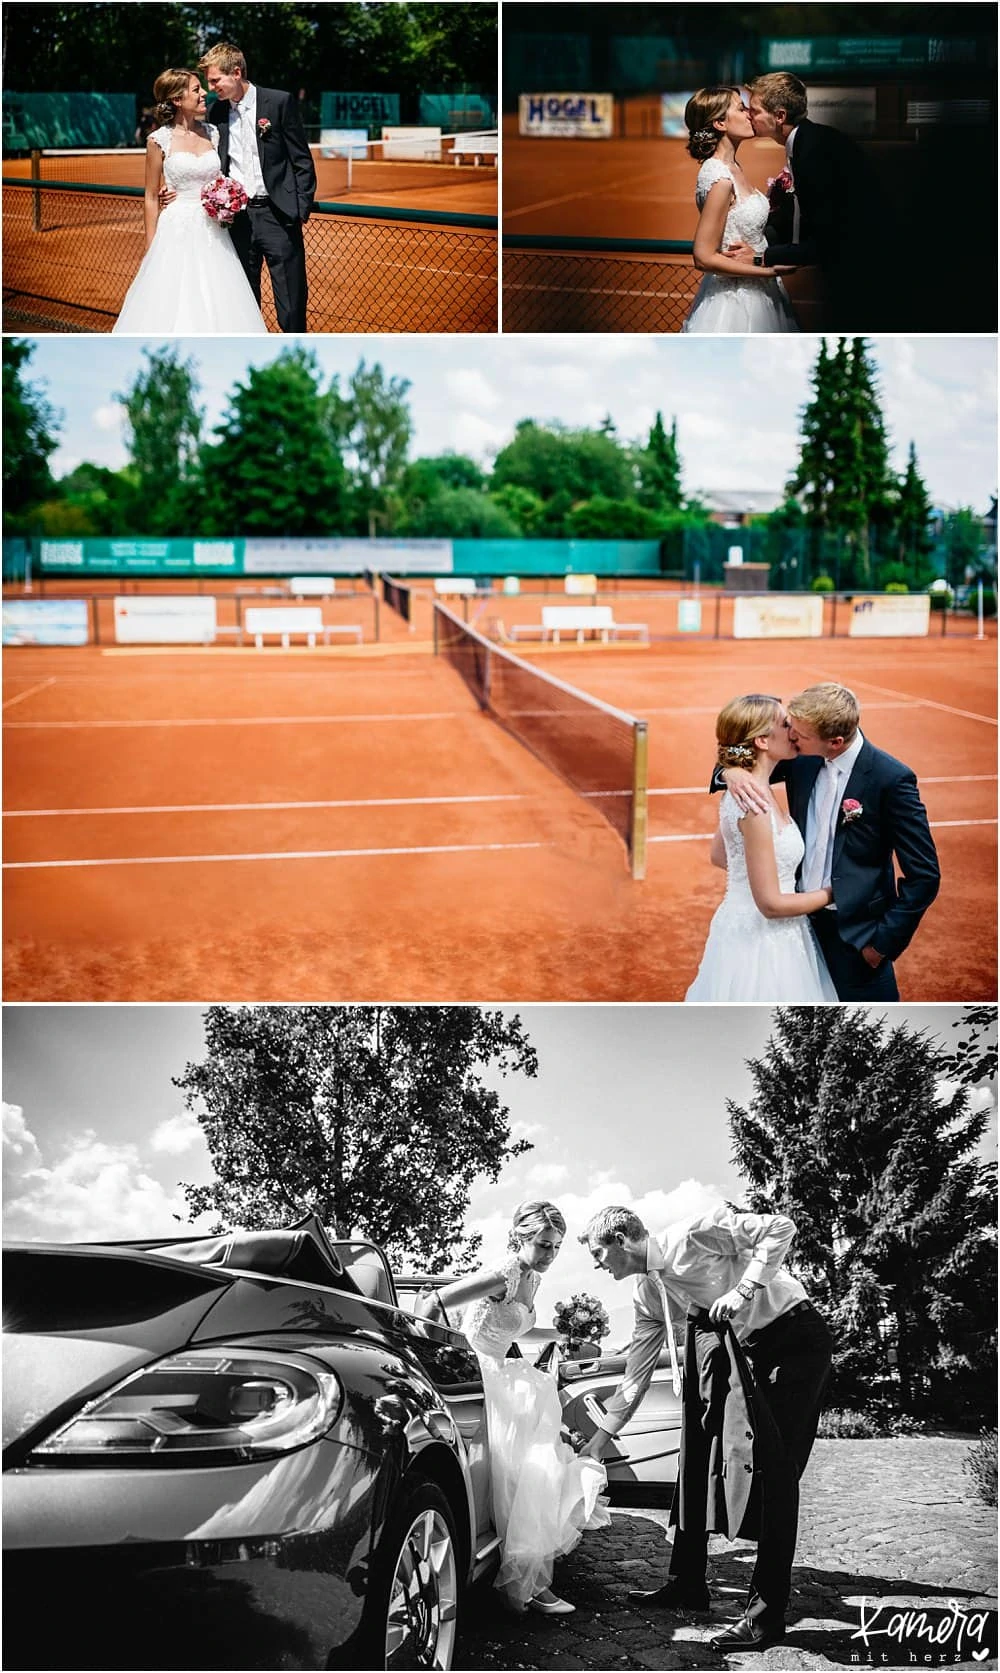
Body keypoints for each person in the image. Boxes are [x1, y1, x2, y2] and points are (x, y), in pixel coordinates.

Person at [579, 1204, 833, 1653]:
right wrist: (599, 1442)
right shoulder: (646, 1294)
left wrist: (745, 1289)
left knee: (774, 1472)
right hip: (745, 1350)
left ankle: (765, 1618)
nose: (598, 1264)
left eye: (599, 1252)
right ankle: (687, 1584)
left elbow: (780, 1226)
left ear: (621, 1240)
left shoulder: (692, 1235)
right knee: (695, 1459)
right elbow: (635, 1376)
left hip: (794, 1341)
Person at [416, 1200, 610, 1614]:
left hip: (507, 1373)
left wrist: (565, 1331)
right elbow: (433, 1302)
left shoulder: (533, 1280)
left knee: (530, 1475)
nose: (549, 1255)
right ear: (521, 1237)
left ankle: (528, 1581)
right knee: (527, 1473)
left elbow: (524, 1327)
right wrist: (438, 1357)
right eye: (542, 1245)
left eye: (556, 1247)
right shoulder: (504, 1271)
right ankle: (527, 1584)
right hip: (481, 1375)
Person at [715, 682, 940, 1001]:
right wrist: (730, 773)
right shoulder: (800, 757)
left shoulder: (891, 780)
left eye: (799, 734)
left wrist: (881, 945)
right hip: (797, 928)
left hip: (856, 938)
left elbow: (925, 876)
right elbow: (745, 749)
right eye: (789, 727)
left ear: (834, 742)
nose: (791, 736)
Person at [687, 694, 838, 1001]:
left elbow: (720, 854)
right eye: (785, 724)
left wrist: (759, 872)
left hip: (741, 927)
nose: (793, 730)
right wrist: (834, 892)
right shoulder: (754, 803)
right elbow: (770, 905)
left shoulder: (747, 790)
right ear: (762, 742)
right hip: (764, 941)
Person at [726, 72, 894, 332]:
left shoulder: (813, 152)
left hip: (867, 278)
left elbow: (827, 243)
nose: (748, 114)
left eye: (755, 110)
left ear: (779, 116)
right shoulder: (809, 141)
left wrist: (760, 257)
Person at [113, 69, 268, 335]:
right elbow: (151, 195)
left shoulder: (213, 133)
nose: (204, 93)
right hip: (175, 230)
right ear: (176, 99)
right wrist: (151, 246)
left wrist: (227, 196)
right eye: (196, 89)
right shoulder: (158, 140)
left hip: (215, 233)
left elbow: (223, 176)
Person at [199, 41, 316, 332]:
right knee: (243, 303)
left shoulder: (278, 102)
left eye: (215, 80)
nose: (212, 87)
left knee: (291, 305)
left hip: (278, 216)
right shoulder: (216, 112)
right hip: (238, 220)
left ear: (236, 73)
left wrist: (298, 208)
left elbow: (302, 159)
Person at [681, 87, 798, 335]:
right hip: (735, 302)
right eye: (741, 108)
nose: (748, 115)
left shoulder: (733, 167)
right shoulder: (720, 177)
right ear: (720, 122)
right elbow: (703, 256)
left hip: (760, 289)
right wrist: (766, 268)